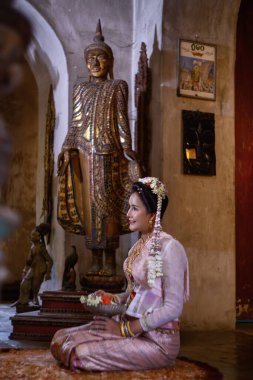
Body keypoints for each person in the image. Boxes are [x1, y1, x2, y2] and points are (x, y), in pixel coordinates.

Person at [51, 177, 189, 371]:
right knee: (60, 339)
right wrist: (112, 298)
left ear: (152, 213)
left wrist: (125, 330)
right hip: (126, 325)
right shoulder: (138, 246)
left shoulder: (170, 248)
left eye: (135, 208)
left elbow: (173, 308)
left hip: (156, 341)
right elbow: (134, 292)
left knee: (77, 353)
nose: (128, 214)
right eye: (129, 207)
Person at [57, 19, 141, 279]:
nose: (94, 62)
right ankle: (94, 261)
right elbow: (75, 124)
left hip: (109, 156)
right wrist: (67, 148)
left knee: (109, 209)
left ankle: (111, 262)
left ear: (110, 62)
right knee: (90, 210)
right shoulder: (80, 89)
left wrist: (128, 150)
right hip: (84, 157)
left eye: (100, 57)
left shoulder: (118, 86)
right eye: (90, 58)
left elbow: (121, 122)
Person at [15, 224, 53, 306]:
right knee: (24, 283)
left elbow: (50, 260)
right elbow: (29, 260)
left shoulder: (41, 248)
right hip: (32, 267)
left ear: (38, 237)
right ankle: (22, 300)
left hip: (40, 268)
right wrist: (25, 269)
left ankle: (35, 300)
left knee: (36, 287)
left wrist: (48, 273)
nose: (31, 236)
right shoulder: (33, 246)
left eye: (33, 235)